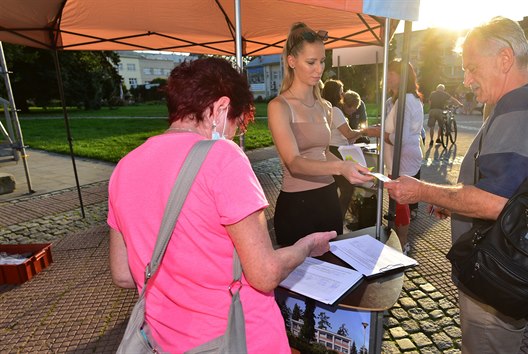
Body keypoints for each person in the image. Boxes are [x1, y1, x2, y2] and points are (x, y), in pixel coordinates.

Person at [108, 57, 337, 353]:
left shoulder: (124, 169)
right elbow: (265, 273)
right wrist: (306, 246)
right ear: (220, 108)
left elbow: (123, 273)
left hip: (167, 341)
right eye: (236, 125)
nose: (232, 136)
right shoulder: (221, 156)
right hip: (238, 338)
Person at [383, 17, 528, 353]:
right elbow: (514, 189)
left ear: (504, 59)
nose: (466, 79)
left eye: (471, 67)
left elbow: (496, 201)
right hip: (517, 267)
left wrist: (422, 190)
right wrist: (455, 200)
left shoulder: (517, 108)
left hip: (495, 277)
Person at [267, 23, 373, 247]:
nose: (319, 69)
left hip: (327, 199)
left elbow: (324, 153)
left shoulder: (324, 106)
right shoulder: (279, 106)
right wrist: (340, 168)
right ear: (292, 61)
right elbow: (294, 163)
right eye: (311, 62)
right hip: (297, 206)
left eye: (322, 61)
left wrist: (353, 169)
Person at [363, 59, 424, 254]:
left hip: (403, 159)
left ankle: (402, 245)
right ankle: (398, 242)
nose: (388, 77)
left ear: (404, 77)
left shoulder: (405, 101)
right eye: (387, 73)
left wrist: (377, 133)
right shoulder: (394, 101)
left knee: (400, 204)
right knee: (397, 203)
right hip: (396, 158)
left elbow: (401, 138)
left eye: (393, 74)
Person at [322, 79, 363, 219]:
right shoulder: (335, 110)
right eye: (341, 90)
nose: (343, 93)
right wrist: (365, 131)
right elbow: (348, 133)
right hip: (336, 151)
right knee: (348, 188)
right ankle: (338, 219)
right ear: (335, 93)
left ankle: (331, 217)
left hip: (330, 150)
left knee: (334, 187)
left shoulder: (324, 108)